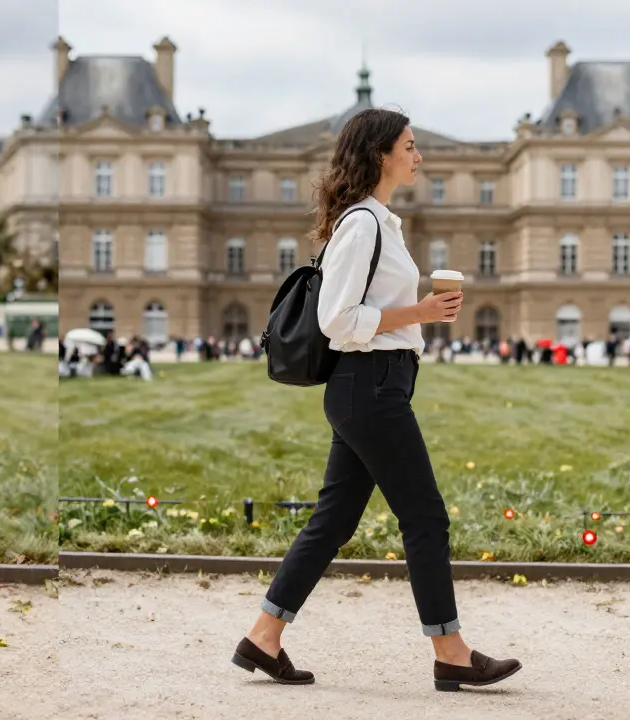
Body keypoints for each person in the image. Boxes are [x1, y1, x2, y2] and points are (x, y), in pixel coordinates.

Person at [232, 108, 521, 692]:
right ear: (380, 154)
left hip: (372, 386)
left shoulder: (379, 221)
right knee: (425, 517)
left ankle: (263, 637)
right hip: (370, 386)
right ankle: (451, 652)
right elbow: (337, 320)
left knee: (333, 521)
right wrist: (420, 312)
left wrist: (418, 314)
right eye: (409, 146)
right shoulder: (363, 224)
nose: (419, 156)